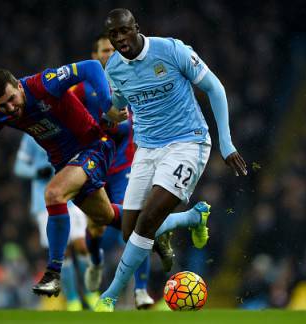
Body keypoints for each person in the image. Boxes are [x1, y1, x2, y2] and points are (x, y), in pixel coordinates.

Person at [95, 8, 247, 311]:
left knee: (147, 222)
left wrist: (226, 142)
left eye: (125, 31)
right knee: (130, 232)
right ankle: (192, 218)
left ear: (136, 28)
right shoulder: (113, 67)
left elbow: (214, 87)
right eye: (114, 34)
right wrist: (107, 115)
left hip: (187, 143)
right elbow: (118, 105)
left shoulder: (171, 50)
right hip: (147, 150)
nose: (120, 38)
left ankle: (109, 296)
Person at [0, 59, 129, 297]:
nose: (9, 108)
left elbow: (92, 66)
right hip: (67, 164)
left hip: (93, 146)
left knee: (53, 193)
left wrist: (106, 104)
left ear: (19, 87)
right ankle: (158, 230)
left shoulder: (43, 84)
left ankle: (53, 273)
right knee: (107, 215)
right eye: (1, 105)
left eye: (11, 99)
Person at [69, 35, 154, 309]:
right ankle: (95, 262)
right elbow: (65, 112)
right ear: (94, 57)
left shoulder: (131, 77)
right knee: (96, 226)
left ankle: (141, 290)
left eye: (113, 49)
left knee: (137, 225)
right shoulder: (82, 88)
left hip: (124, 167)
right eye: (105, 50)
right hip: (95, 167)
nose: (110, 53)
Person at [13, 134, 98, 310]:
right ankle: (73, 300)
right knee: (62, 253)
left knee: (81, 244)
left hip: (70, 195)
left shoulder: (62, 125)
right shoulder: (30, 135)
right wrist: (36, 172)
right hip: (43, 201)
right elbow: (19, 166)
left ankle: (91, 294)